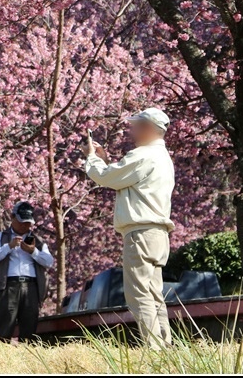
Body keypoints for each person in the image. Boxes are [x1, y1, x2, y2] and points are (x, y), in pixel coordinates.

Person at [81, 107, 175, 348]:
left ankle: (154, 348)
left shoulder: (143, 155)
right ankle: (165, 347)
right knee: (154, 294)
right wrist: (105, 162)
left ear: (148, 127)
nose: (133, 130)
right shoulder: (163, 158)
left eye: (137, 125)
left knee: (139, 294)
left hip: (141, 233)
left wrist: (92, 158)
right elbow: (124, 178)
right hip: (157, 234)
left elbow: (106, 177)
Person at [0, 201, 54, 342]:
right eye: (22, 222)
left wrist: (33, 252)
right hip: (8, 285)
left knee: (29, 325)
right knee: (5, 324)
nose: (25, 226)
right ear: (12, 218)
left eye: (28, 223)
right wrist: (8, 247)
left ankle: (27, 355)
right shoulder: (1, 236)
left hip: (31, 286)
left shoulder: (37, 240)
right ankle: (1, 353)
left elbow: (49, 261)